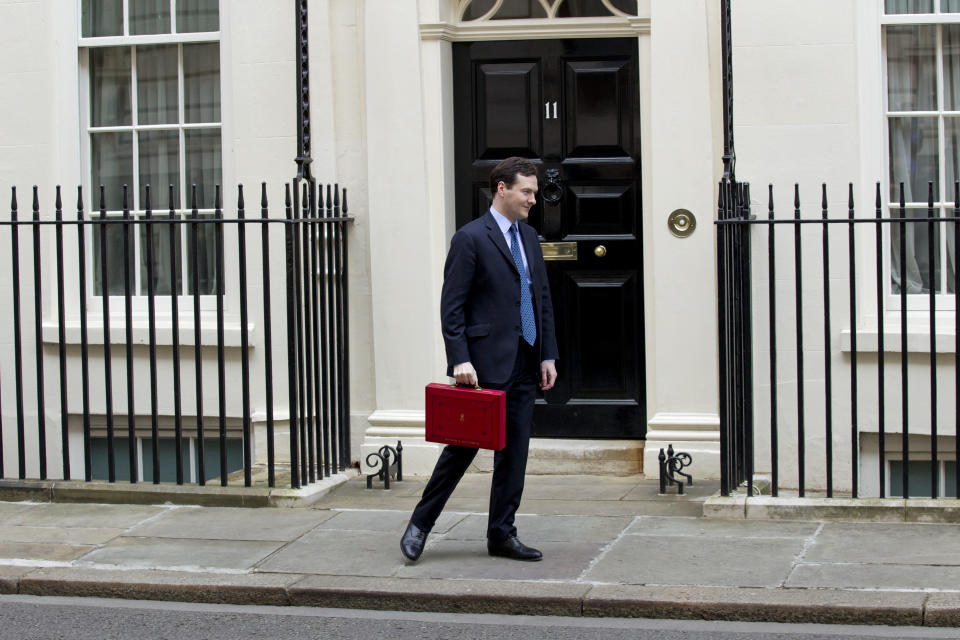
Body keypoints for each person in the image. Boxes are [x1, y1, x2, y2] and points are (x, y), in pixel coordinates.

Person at [401, 156, 559, 563]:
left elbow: (541, 299)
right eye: (527, 191)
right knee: (460, 450)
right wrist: (460, 360)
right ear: (502, 189)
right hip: (483, 367)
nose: (533, 199)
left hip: (525, 360)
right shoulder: (470, 238)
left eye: (535, 192)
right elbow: (451, 307)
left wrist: (547, 355)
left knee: (515, 453)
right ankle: (420, 524)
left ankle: (502, 534)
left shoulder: (528, 238)